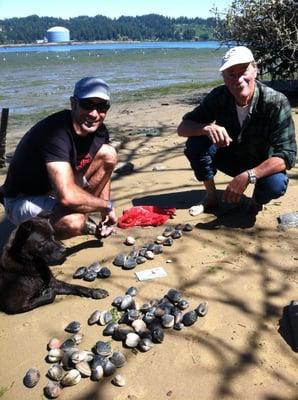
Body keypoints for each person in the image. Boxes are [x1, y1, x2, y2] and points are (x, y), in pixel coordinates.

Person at [177, 46, 296, 216]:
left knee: (276, 184)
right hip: (229, 157)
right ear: (224, 78)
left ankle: (256, 202)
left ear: (255, 70)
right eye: (231, 74)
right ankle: (211, 197)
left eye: (243, 71)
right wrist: (207, 127)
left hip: (260, 164)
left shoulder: (276, 102)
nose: (238, 79)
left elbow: (287, 155)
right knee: (196, 141)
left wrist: (249, 175)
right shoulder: (219, 95)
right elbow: (183, 128)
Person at [1, 77, 118, 239]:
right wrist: (106, 206)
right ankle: (31, 241)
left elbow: (106, 170)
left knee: (109, 154)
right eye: (87, 105)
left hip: (52, 190)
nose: (94, 114)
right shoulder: (55, 133)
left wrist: (104, 209)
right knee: (74, 222)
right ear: (73, 103)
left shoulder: (99, 131)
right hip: (22, 198)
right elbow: (67, 196)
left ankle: (76, 212)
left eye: (102, 107)